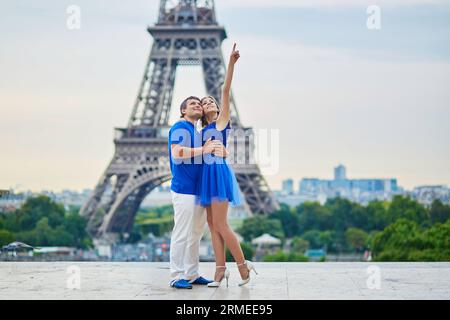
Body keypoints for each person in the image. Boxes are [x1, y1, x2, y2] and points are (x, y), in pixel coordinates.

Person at [198, 43, 257, 287]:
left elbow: (224, 90)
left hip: (218, 172)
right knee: (211, 225)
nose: (210, 102)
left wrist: (231, 63)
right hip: (206, 174)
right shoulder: (202, 130)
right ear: (201, 111)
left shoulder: (222, 121)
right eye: (205, 102)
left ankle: (243, 266)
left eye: (211, 100)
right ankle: (219, 272)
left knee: (221, 224)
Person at [168, 96, 228, 289]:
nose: (197, 106)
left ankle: (191, 273)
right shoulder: (180, 127)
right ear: (183, 111)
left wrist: (223, 152)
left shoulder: (197, 131)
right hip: (184, 190)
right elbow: (177, 152)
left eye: (199, 104)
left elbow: (215, 150)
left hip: (198, 190)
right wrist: (203, 149)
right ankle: (176, 276)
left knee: (195, 234)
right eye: (192, 104)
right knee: (182, 233)